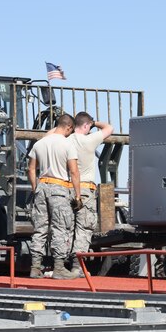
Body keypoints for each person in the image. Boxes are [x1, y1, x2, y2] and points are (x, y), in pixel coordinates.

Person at [27, 113, 82, 279]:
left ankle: (35, 268)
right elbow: (73, 171)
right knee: (60, 227)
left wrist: (36, 188)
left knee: (40, 229)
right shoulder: (67, 144)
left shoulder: (40, 143)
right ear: (69, 127)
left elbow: (31, 169)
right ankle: (59, 268)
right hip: (59, 188)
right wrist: (78, 195)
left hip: (42, 186)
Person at [67, 112, 113, 268]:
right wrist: (94, 123)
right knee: (84, 226)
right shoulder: (90, 140)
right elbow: (109, 128)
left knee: (66, 226)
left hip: (66, 188)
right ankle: (77, 265)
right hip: (85, 189)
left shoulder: (66, 140)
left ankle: (60, 262)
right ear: (86, 125)